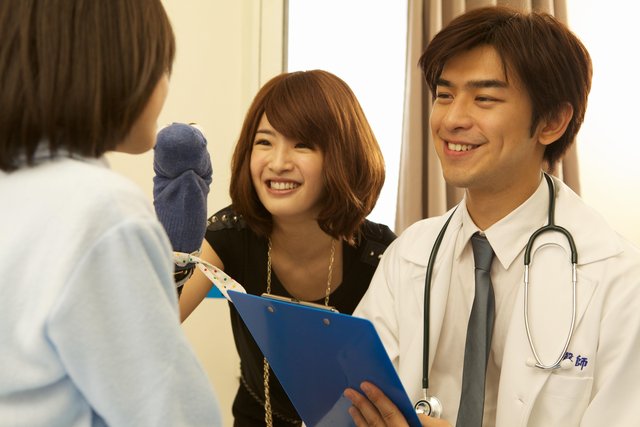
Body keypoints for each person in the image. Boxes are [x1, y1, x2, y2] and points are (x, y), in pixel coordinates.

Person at [345, 5, 640, 427]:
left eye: (484, 98)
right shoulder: (409, 255)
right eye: (444, 95)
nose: (452, 119)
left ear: (553, 121)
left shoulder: (619, 280)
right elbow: (354, 400)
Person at [0, 1, 221, 425]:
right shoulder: (103, 211)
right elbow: (172, 414)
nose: (164, 86)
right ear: (116, 71)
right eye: (161, 67)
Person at [179, 69, 397, 426]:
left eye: (302, 144)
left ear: (342, 155)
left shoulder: (383, 256)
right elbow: (155, 319)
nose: (278, 163)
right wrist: (175, 238)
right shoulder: (231, 232)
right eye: (265, 142)